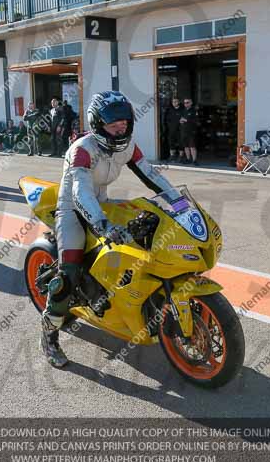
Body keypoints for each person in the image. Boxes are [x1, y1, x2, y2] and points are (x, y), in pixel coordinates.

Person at [40, 91, 179, 368]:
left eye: (125, 121)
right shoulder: (82, 149)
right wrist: (101, 223)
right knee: (67, 276)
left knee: (146, 227)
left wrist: (179, 200)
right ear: (97, 123)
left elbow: (150, 175)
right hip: (73, 208)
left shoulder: (126, 146)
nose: (121, 126)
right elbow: (80, 191)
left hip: (101, 203)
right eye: (113, 122)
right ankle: (48, 337)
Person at [179, 98, 199, 166]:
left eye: (187, 102)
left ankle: (194, 160)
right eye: (184, 103)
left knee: (192, 147)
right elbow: (181, 119)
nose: (186, 104)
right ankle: (188, 159)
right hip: (184, 131)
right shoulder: (183, 111)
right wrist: (181, 121)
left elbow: (196, 121)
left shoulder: (194, 111)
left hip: (191, 131)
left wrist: (186, 120)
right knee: (186, 147)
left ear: (191, 103)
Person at [163, 98, 183, 162]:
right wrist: (168, 126)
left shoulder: (182, 110)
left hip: (180, 130)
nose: (174, 103)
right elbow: (166, 120)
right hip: (171, 130)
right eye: (173, 102)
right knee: (171, 143)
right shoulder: (169, 110)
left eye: (176, 101)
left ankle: (181, 157)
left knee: (181, 143)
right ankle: (172, 156)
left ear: (179, 102)